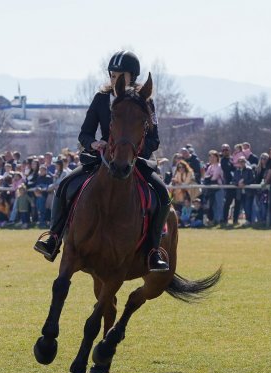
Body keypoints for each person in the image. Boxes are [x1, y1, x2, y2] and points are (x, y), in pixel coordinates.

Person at [34, 50, 171, 272]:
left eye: (121, 75)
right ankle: (54, 237)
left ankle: (154, 251)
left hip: (134, 162)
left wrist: (130, 152)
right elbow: (85, 133)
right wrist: (94, 144)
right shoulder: (101, 99)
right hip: (102, 161)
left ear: (132, 76)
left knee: (163, 195)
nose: (115, 78)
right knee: (65, 185)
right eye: (113, 74)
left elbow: (154, 140)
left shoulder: (145, 101)